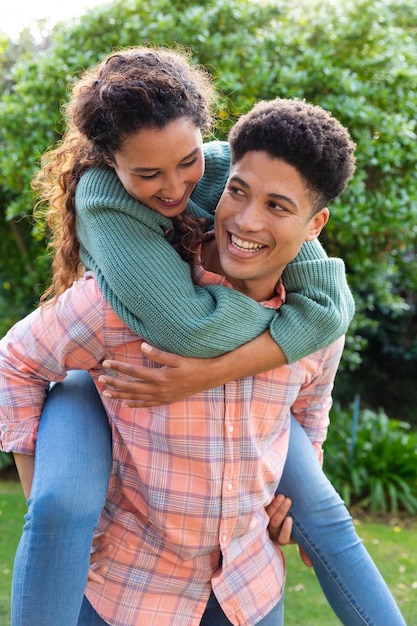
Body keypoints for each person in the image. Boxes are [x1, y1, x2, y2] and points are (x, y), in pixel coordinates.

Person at [0, 47, 404, 625]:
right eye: (238, 193)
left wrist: (284, 501)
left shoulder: (316, 319)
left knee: (328, 517)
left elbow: (309, 412)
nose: (245, 220)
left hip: (247, 587)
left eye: (277, 206)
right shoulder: (125, 300)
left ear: (314, 225)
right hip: (135, 590)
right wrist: (46, 502)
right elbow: (15, 360)